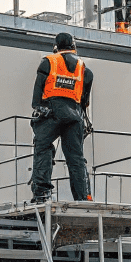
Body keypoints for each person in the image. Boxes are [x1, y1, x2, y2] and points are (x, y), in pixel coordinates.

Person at [30, 32, 94, 203]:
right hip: (74, 116)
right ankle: (83, 197)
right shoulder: (84, 69)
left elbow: (36, 97)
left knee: (43, 148)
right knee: (76, 158)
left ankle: (42, 194)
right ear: (73, 46)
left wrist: (39, 109)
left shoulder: (49, 62)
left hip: (51, 112)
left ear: (56, 47)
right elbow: (84, 102)